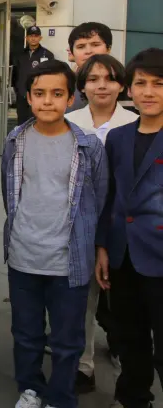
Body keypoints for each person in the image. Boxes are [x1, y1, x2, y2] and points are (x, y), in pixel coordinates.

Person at [1, 60, 108, 408]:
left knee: (67, 339)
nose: (48, 101)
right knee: (26, 334)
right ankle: (30, 388)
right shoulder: (15, 141)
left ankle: (61, 397)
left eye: (57, 93)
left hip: (69, 261)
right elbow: (9, 193)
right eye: (40, 93)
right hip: (24, 257)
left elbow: (98, 200)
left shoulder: (88, 146)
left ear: (71, 98)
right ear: (29, 98)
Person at [95, 48, 163, 408]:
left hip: (160, 255)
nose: (148, 92)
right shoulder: (118, 138)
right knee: (130, 337)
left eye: (158, 84)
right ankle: (134, 398)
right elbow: (109, 197)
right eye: (141, 83)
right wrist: (103, 246)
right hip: (123, 256)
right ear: (129, 89)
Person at [65, 54, 136, 394]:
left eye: (109, 78)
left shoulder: (136, 122)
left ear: (122, 85)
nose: (101, 86)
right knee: (82, 301)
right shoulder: (69, 121)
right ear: (82, 87)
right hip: (80, 226)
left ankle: (130, 363)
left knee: (125, 301)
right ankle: (84, 364)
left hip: (124, 228)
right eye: (92, 79)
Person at [12, 26, 55, 124]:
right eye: (31, 36)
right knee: (22, 122)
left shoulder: (47, 55)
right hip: (22, 95)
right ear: (26, 38)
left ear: (40, 38)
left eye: (36, 36)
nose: (33, 38)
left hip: (39, 95)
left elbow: (51, 75)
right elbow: (15, 74)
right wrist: (17, 89)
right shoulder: (20, 54)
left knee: (37, 121)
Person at [67, 22, 112, 112]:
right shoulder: (65, 82)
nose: (88, 51)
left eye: (95, 45)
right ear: (72, 52)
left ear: (108, 49)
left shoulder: (121, 81)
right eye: (81, 47)